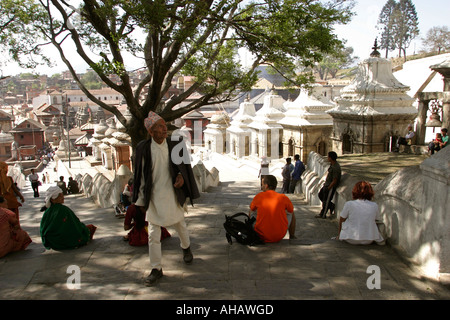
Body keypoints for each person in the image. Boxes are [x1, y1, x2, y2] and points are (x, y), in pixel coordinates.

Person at [132, 111, 200, 286]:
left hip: (172, 194)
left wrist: (181, 178)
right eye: (160, 127)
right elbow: (140, 176)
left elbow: (184, 167)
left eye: (164, 126)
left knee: (180, 225)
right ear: (151, 132)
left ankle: (186, 249)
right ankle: (156, 268)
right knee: (153, 234)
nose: (165, 129)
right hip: (154, 197)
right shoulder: (143, 148)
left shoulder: (176, 144)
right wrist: (140, 201)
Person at [249, 175, 296, 243]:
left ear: (266, 186)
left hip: (261, 235)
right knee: (291, 212)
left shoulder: (259, 196)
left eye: (262, 184)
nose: (261, 187)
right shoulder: (283, 197)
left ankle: (250, 232)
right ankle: (292, 235)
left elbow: (252, 209)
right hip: (279, 235)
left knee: (251, 209)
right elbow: (290, 210)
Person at [336, 181, 384, 245]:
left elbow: (342, 219)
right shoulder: (374, 205)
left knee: (346, 219)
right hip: (368, 240)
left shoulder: (349, 204)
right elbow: (376, 218)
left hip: (350, 238)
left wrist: (339, 235)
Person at [316, 151, 341, 219]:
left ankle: (323, 214)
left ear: (331, 158)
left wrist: (329, 187)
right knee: (320, 195)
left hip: (330, 186)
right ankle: (331, 205)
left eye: (328, 156)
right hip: (326, 184)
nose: (327, 158)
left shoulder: (336, 167)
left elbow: (335, 179)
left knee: (326, 201)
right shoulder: (332, 165)